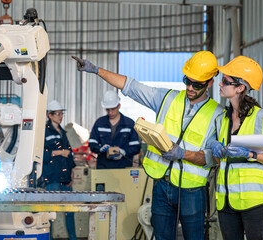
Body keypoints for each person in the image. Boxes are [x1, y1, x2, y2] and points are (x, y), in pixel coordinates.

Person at [73, 51, 224, 240]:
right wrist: (96, 70)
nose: (190, 87)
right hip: (161, 184)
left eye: (197, 84)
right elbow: (131, 86)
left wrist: (183, 154)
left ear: (210, 83)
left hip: (192, 191)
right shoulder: (167, 98)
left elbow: (213, 158)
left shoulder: (218, 114)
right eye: (187, 81)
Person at [210, 56, 263, 240]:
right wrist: (215, 149)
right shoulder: (221, 120)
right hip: (226, 202)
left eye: (226, 81)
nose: (220, 84)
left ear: (240, 87)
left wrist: (250, 154)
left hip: (255, 203)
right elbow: (221, 162)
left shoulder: (261, 118)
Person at [42, 100, 77, 240]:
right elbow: (41, 154)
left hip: (65, 178)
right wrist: (59, 152)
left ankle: (73, 238)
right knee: (51, 212)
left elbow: (69, 154)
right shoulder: (44, 131)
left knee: (70, 211)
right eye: (58, 114)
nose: (60, 116)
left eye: (61, 113)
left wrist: (72, 173)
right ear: (50, 115)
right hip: (52, 177)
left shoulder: (62, 132)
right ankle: (48, 238)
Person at [88, 90, 141, 169]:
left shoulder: (129, 124)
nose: (110, 112)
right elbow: (92, 144)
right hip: (103, 168)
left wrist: (124, 152)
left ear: (118, 106)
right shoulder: (99, 123)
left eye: (113, 109)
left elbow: (136, 147)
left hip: (123, 167)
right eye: (108, 109)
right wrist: (100, 149)